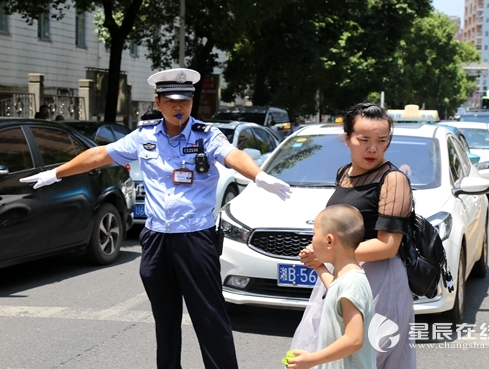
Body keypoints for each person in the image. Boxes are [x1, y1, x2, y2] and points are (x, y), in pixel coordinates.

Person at [19, 68, 291, 369]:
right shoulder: (144, 136)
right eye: (173, 101)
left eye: (186, 101)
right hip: (157, 239)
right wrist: (55, 173)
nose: (180, 107)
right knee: (166, 322)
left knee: (210, 319)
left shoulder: (206, 135)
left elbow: (232, 155)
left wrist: (259, 175)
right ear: (158, 101)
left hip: (195, 240)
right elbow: (100, 155)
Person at [291, 102, 415, 368]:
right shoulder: (343, 174)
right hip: (341, 271)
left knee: (366, 355)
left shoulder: (393, 180)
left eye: (382, 140)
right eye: (364, 139)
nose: (373, 148)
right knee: (324, 347)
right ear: (347, 138)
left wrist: (334, 253)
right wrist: (327, 257)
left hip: (378, 278)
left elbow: (388, 245)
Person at [286, 204, 375, 369]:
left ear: (329, 241)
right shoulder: (345, 278)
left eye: (313, 234)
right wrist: (319, 267)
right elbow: (335, 290)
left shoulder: (352, 283)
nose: (311, 241)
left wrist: (312, 360)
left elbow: (354, 339)